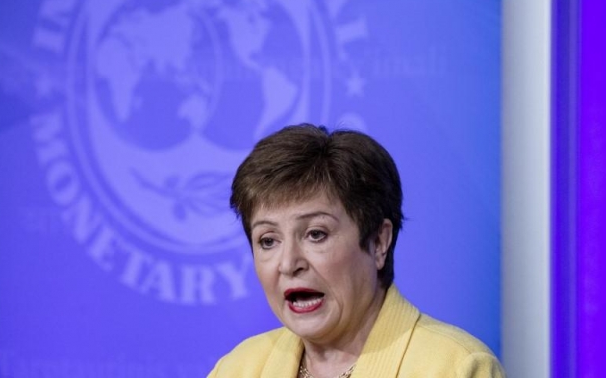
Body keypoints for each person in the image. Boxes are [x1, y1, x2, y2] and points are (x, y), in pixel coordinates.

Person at [208, 124, 505, 378]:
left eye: (315, 234)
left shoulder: (455, 367)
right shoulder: (239, 369)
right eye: (268, 240)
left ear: (379, 242)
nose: (288, 264)